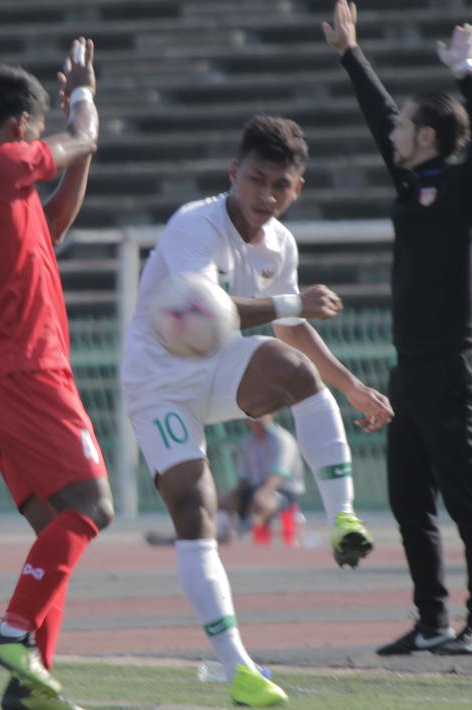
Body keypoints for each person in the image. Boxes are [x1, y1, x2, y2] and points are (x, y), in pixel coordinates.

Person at [120, 114, 393, 707]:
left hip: (218, 365)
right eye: (256, 179)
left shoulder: (280, 244)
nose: (265, 195)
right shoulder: (194, 224)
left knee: (293, 369)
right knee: (194, 509)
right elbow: (207, 309)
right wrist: (292, 301)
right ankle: (238, 668)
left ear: (298, 189)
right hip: (159, 383)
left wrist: (350, 386)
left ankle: (343, 519)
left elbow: (290, 328)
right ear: (233, 173)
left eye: (280, 186)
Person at [325, 1, 472, 656]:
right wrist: (351, 54)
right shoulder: (411, 183)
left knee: (467, 500)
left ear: (427, 135)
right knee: (408, 501)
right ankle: (431, 619)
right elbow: (379, 118)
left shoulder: (461, 187)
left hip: (454, 364)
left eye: (405, 124)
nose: (394, 129)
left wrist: (467, 74)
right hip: (409, 368)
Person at [0, 39, 113, 710]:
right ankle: (13, 632)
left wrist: (77, 147)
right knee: (92, 508)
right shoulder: (3, 165)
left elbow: (56, 222)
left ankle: (27, 684)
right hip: (32, 370)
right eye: (36, 134)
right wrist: (83, 95)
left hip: (1, 380)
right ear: (19, 127)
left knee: (55, 534)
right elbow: (83, 135)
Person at [218, 414, 305, 540]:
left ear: (270, 415)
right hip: (256, 487)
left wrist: (262, 493)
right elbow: (243, 478)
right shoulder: (247, 443)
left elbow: (279, 475)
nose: (255, 417)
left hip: (285, 490)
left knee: (262, 503)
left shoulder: (283, 439)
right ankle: (222, 532)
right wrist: (231, 497)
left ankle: (242, 531)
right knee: (226, 502)